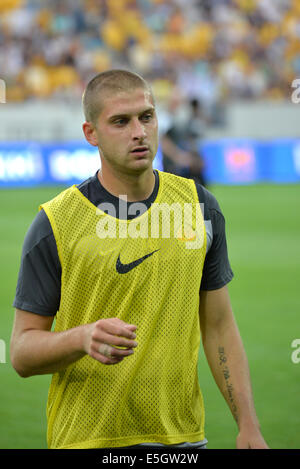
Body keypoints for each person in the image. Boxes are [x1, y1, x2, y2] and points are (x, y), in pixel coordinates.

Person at [10, 69, 268, 450]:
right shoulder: (56, 223)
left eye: (146, 117)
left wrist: (248, 425)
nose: (139, 131)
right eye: (120, 121)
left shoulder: (199, 207)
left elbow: (219, 327)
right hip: (87, 441)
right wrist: (81, 338)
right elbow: (20, 353)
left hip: (182, 441)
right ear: (90, 133)